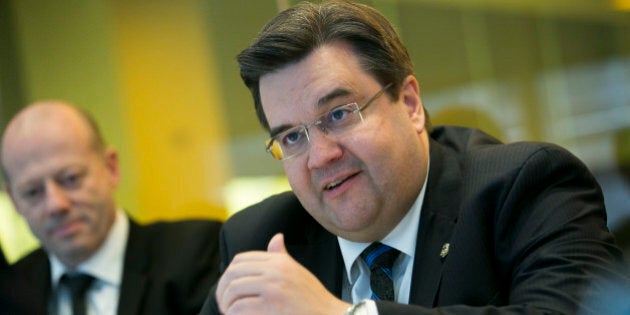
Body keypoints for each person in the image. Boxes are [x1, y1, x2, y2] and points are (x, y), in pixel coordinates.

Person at [200, 1, 627, 314]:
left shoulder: (526, 186)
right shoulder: (261, 239)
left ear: (408, 104)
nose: (320, 156)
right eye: (292, 137)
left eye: (339, 114)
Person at [0, 101, 222, 315]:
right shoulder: (12, 288)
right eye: (32, 192)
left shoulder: (194, 253)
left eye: (70, 178)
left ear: (111, 168)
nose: (56, 205)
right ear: (14, 201)